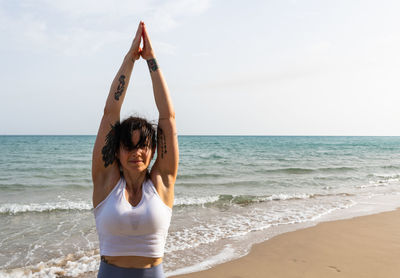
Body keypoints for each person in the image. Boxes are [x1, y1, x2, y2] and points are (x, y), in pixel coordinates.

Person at [91, 21, 178, 278]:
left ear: (152, 150)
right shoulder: (106, 182)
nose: (136, 152)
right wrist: (130, 59)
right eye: (128, 146)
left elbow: (168, 117)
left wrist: (151, 60)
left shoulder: (162, 183)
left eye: (142, 146)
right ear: (116, 151)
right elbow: (110, 113)